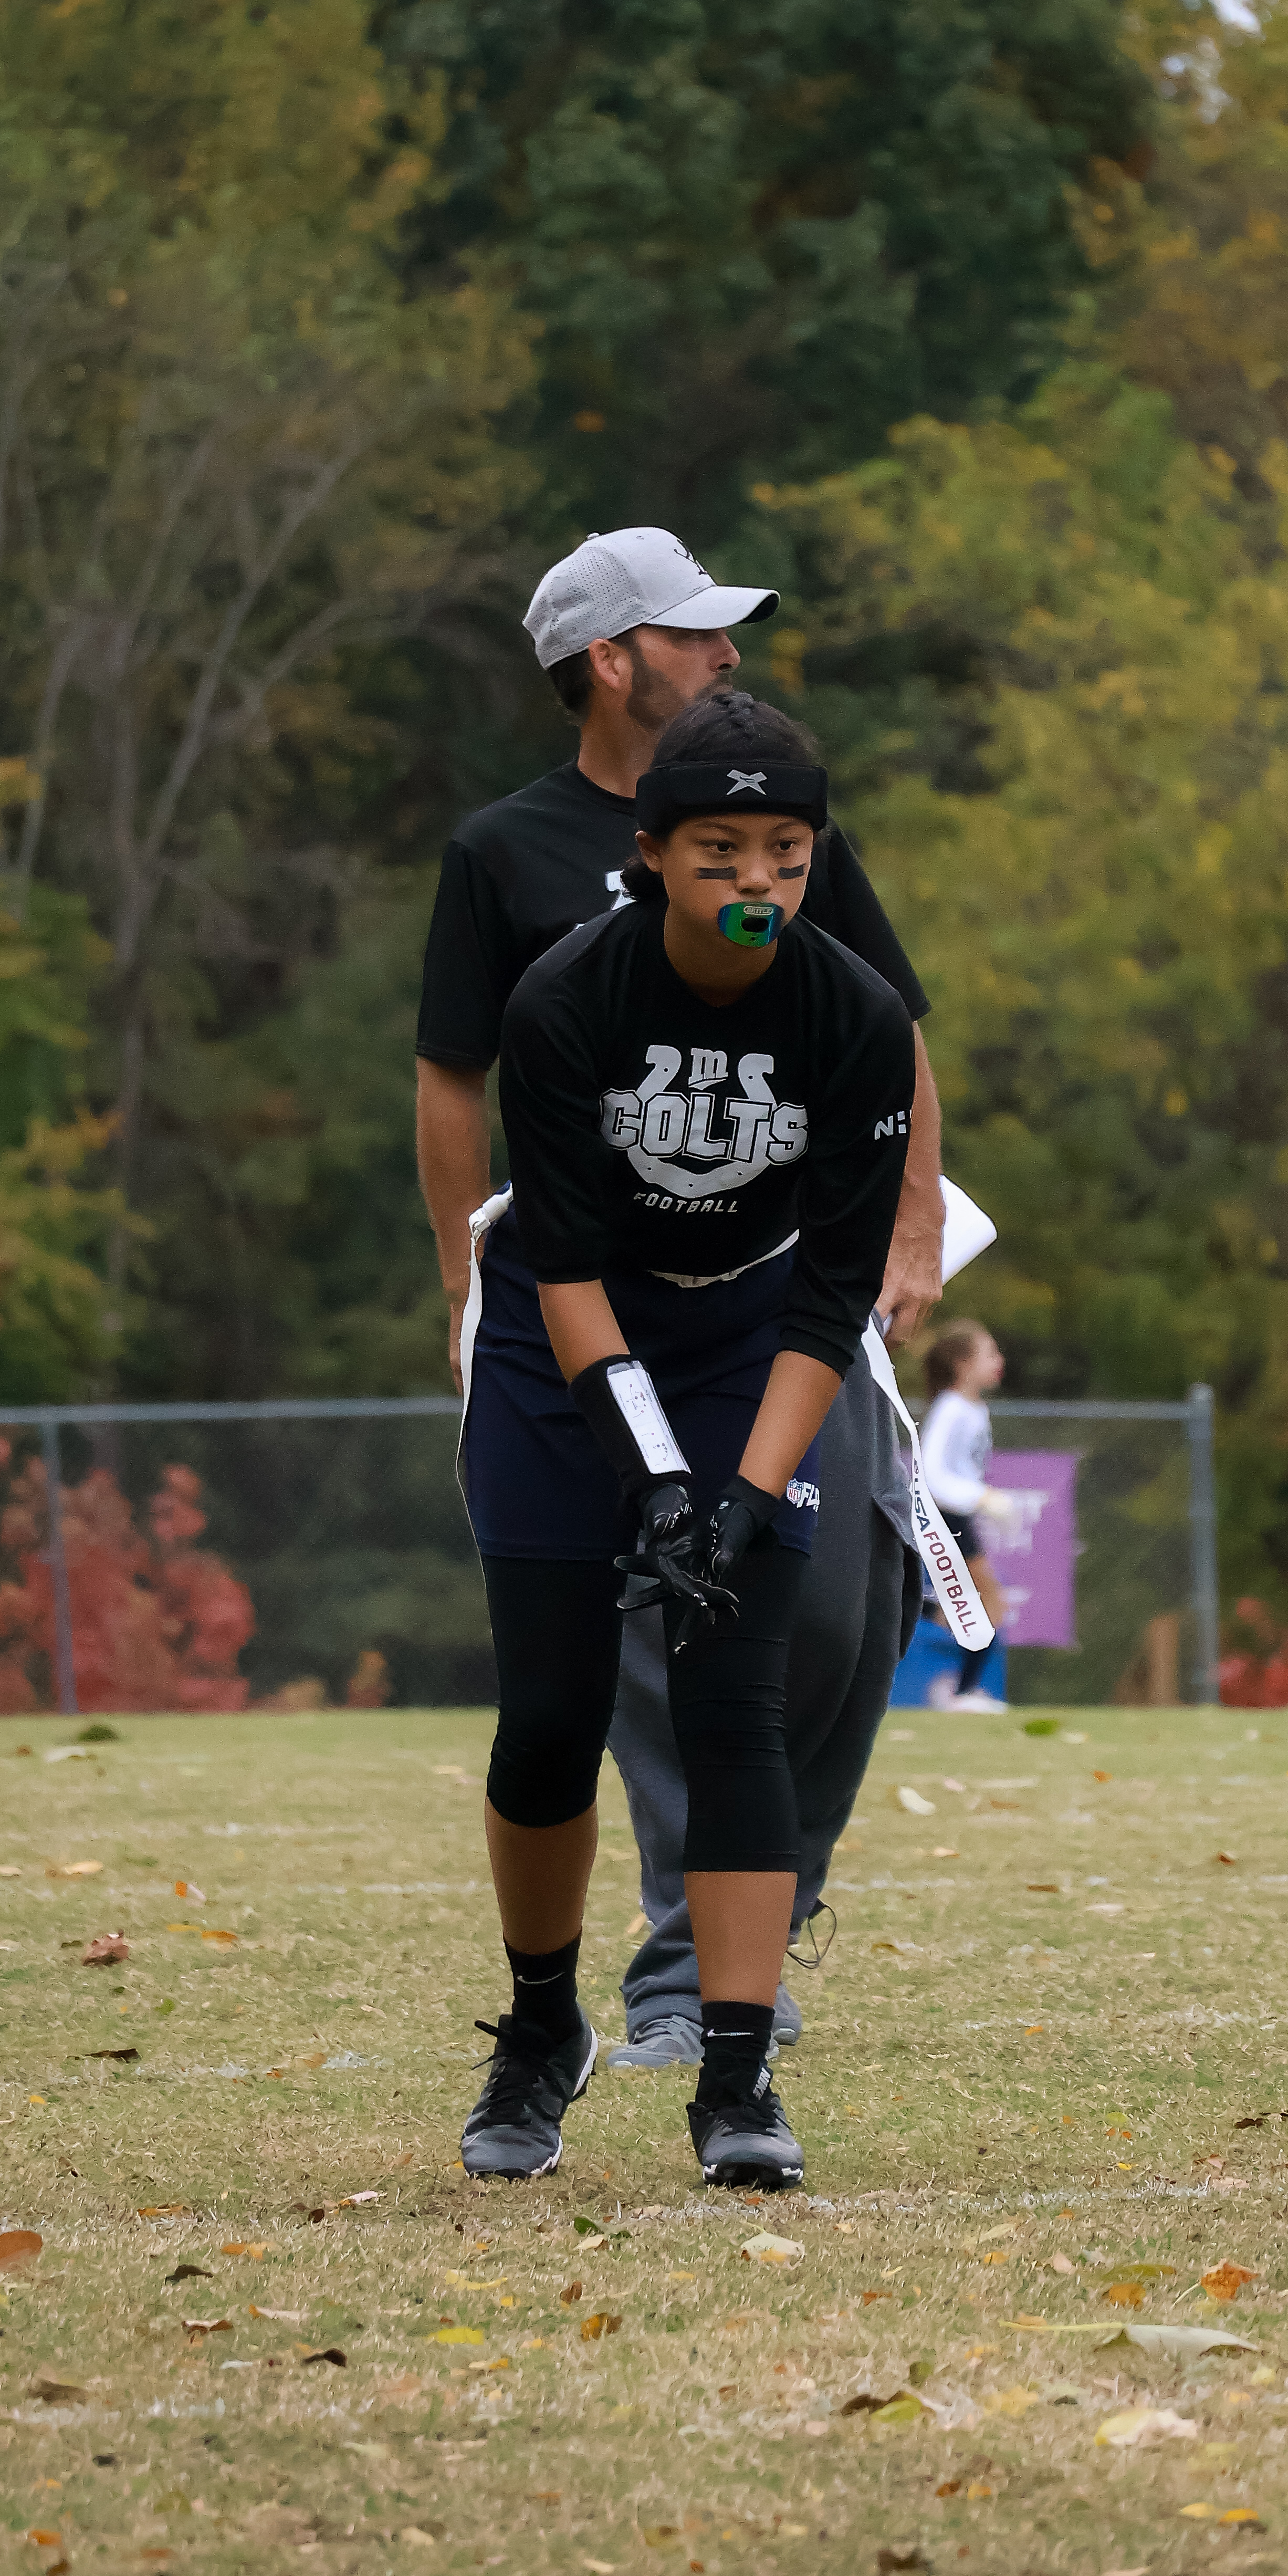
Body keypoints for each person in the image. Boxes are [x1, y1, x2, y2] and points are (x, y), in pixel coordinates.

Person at [415, 526, 945, 2065]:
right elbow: (456, 1082)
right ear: (607, 658)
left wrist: (908, 1232)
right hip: (582, 1296)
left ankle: (759, 1912)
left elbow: (884, 1030)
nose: (724, 654)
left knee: (840, 1604)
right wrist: (464, 1276)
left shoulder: (783, 824)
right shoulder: (505, 854)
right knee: (625, 1642)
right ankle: (680, 1980)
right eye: (692, 634)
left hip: (772, 1290)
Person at [917, 1323, 1014, 1711]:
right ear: (962, 1363)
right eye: (989, 1353)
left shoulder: (973, 1409)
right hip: (945, 1516)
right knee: (987, 1603)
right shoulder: (950, 1408)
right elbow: (933, 1473)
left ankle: (963, 1689)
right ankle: (964, 1693)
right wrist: (983, 1497)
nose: (999, 1361)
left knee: (979, 1605)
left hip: (959, 1516)